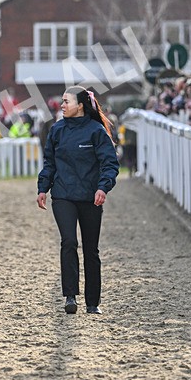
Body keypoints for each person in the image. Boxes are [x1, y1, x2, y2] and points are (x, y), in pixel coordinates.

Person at [36, 86, 119, 315]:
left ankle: (93, 303)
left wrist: (103, 188)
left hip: (91, 197)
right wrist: (43, 188)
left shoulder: (97, 131)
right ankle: (70, 296)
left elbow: (110, 164)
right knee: (69, 242)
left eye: (66, 101)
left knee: (91, 249)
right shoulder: (57, 130)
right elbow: (49, 163)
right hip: (63, 196)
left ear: (80, 105)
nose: (61, 106)